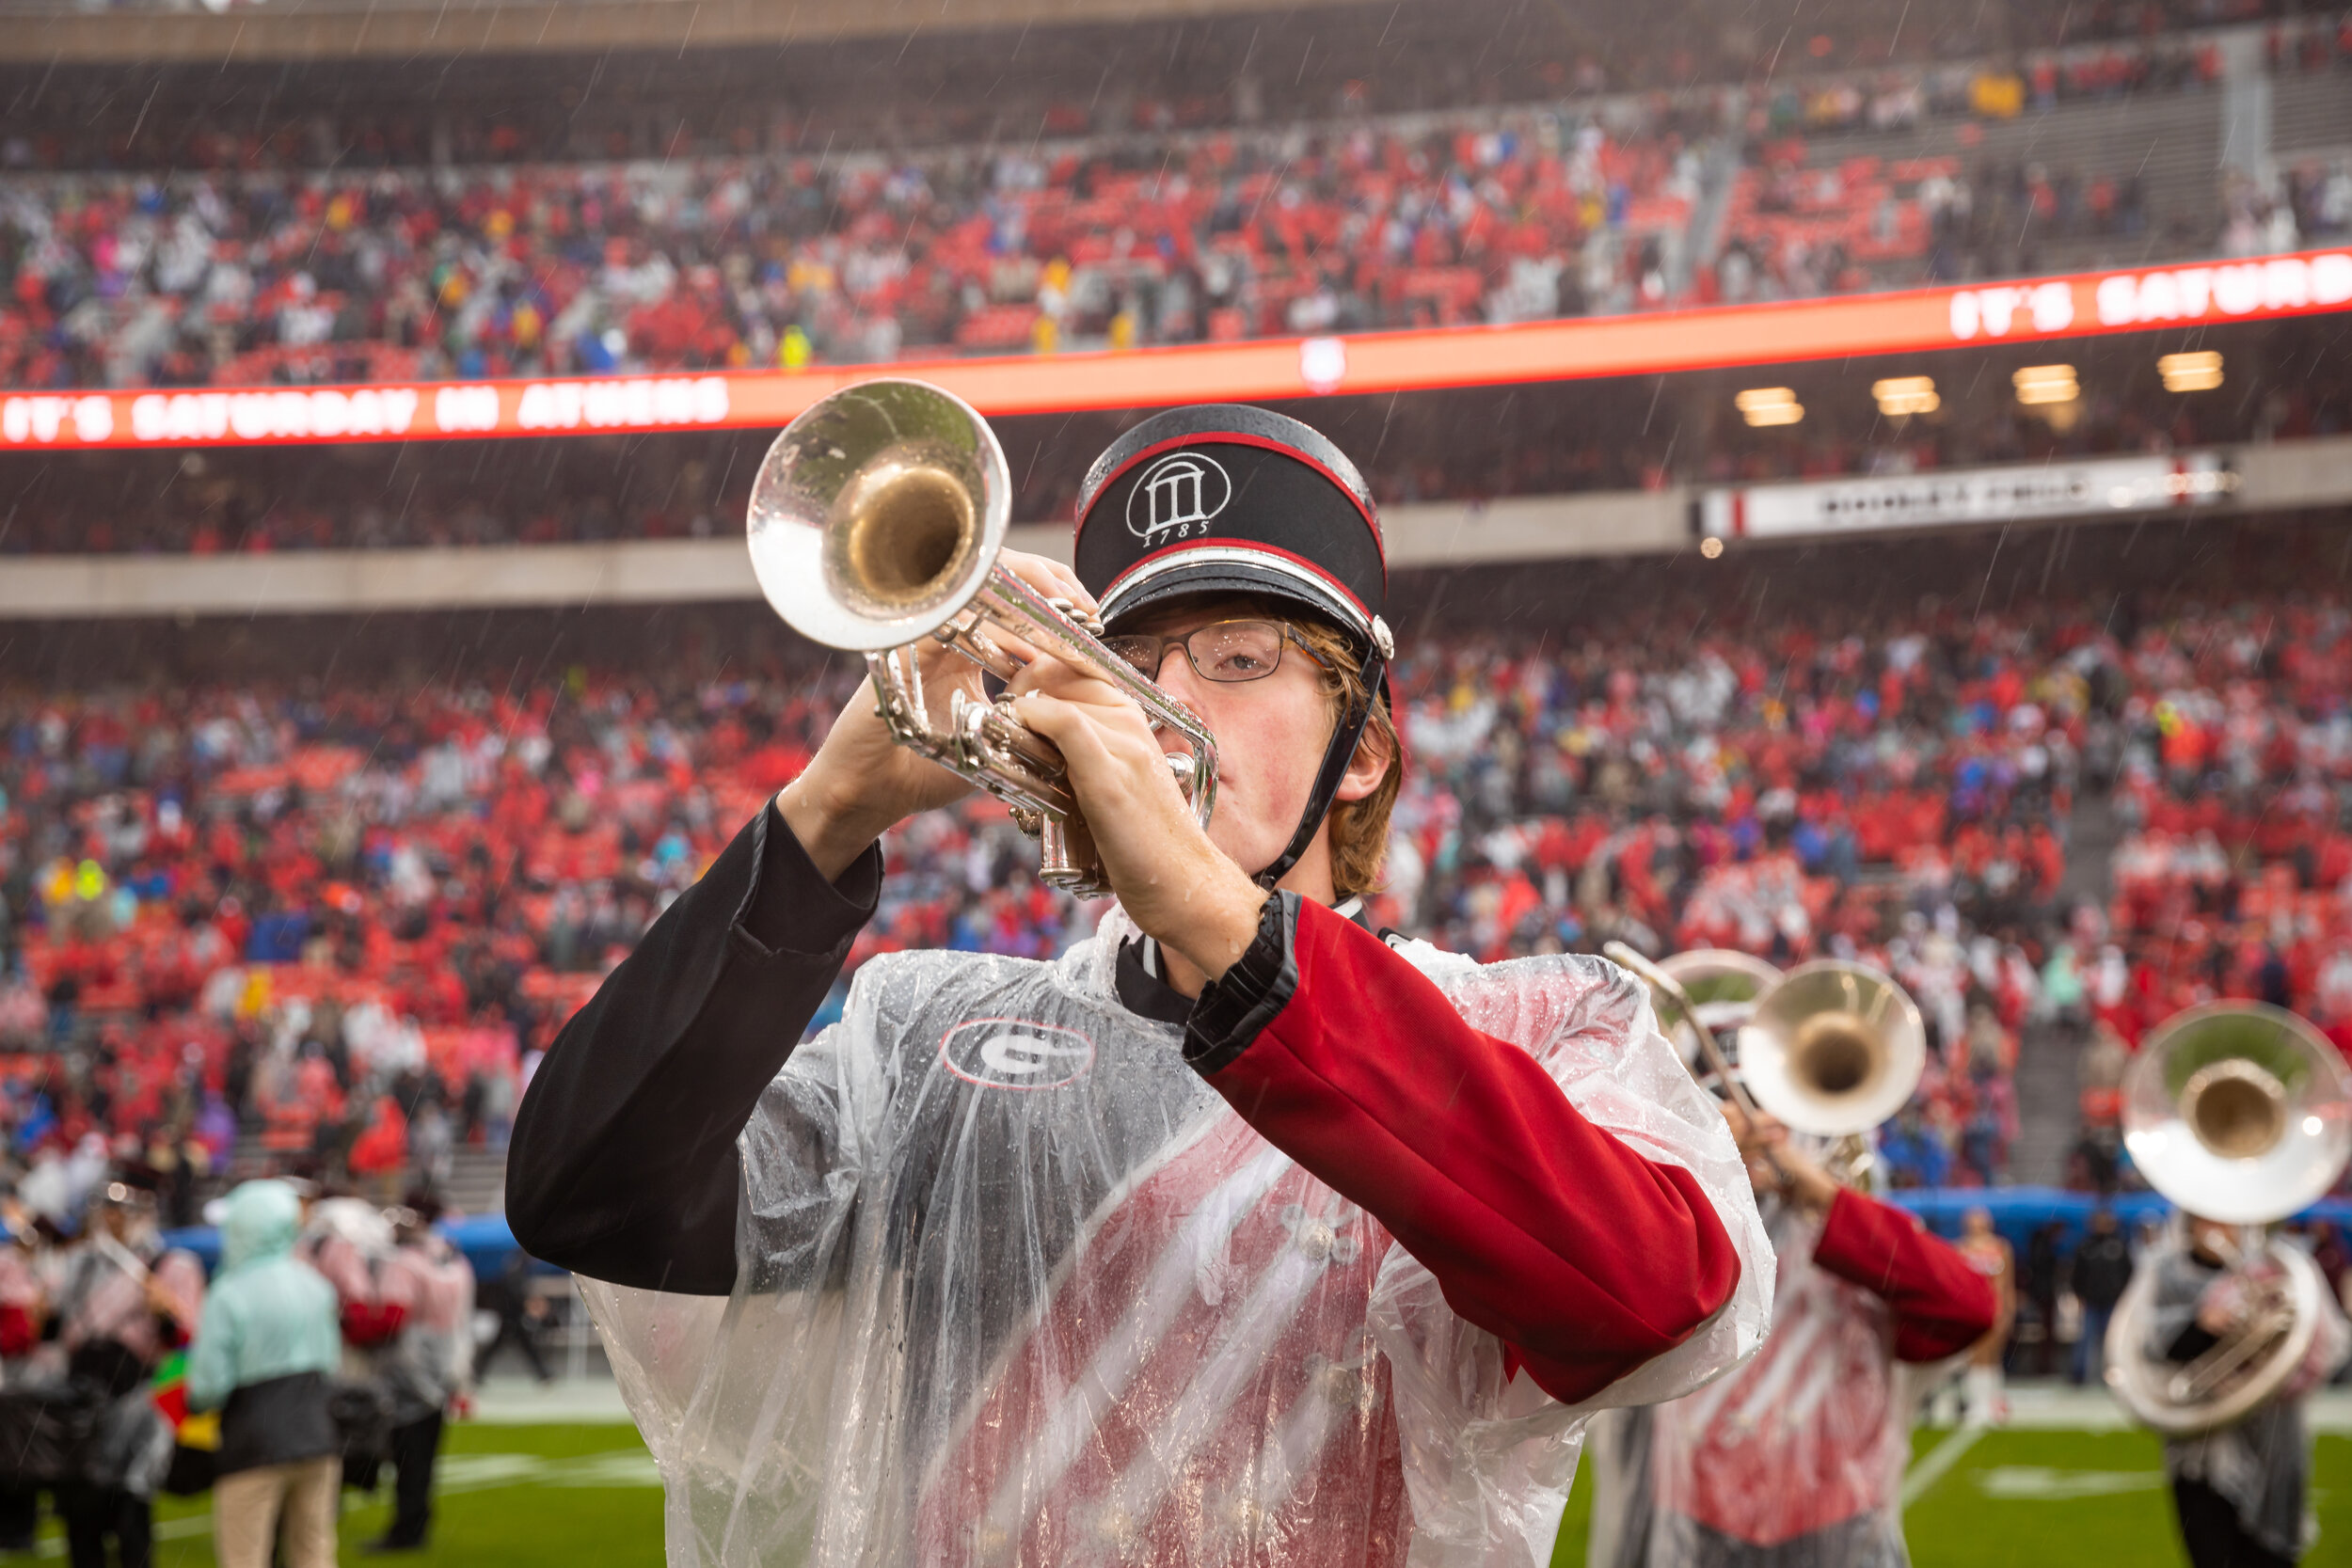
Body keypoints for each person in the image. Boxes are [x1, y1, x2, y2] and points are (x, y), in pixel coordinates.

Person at [508, 402, 1773, 1564]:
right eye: (1128, 654)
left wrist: (1227, 928)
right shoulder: (935, 1034)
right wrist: (825, 815)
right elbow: (590, 1196)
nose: (1161, 698)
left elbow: (1656, 1296)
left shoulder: (1529, 1026)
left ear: (1365, 750)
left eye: (1235, 659)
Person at [1629, 1104, 1997, 1568]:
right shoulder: (1688, 1231)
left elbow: (1971, 1307)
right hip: (1699, 1516)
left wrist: (1826, 1198)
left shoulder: (1854, 1241)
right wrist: (1705, 1164)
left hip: (1834, 1520)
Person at [2147, 1214, 2350, 1568]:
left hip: (2275, 1439)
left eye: (2224, 1218)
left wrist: (2263, 1339)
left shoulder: (2285, 1269)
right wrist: (2202, 1325)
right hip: (2200, 1446)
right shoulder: (2167, 1272)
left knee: (2271, 1554)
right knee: (2213, 1553)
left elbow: (2322, 1349)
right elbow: (2149, 1346)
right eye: (2202, 1218)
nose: (2214, 1227)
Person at [186, 1180, 344, 1568]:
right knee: (314, 1552)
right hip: (317, 1434)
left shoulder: (229, 1292)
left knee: (245, 1554)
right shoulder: (316, 1286)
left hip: (252, 1440)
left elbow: (208, 1387)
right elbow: (332, 1363)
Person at [52, 1182, 204, 1568]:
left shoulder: (169, 1263)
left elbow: (185, 1337)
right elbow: (55, 1327)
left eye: (123, 1211)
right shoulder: (82, 1262)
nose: (114, 1219)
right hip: (83, 1391)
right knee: (80, 1498)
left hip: (136, 1389)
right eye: (108, 1210)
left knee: (131, 1497)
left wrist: (162, 1309)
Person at [364, 1203, 474, 1553]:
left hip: (409, 1372)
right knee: (422, 1458)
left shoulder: (405, 1263)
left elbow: (397, 1319)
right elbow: (461, 1320)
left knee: (406, 1457)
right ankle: (414, 1524)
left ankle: (407, 1528)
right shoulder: (452, 1259)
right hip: (442, 1366)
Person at [1956, 1206, 2015, 1425]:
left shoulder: (2001, 1247)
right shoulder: (1960, 1248)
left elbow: (2007, 1283)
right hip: (1972, 1308)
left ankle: (1994, 1401)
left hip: (1995, 1307)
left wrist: (2008, 1309)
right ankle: (1978, 1403)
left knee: (1993, 1356)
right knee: (1975, 1356)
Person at [2071, 1206, 2134, 1386]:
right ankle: (2078, 1375)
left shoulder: (2119, 1246)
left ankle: (2112, 1375)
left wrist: (2123, 1298)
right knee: (2085, 1339)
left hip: (2112, 1301)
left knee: (2112, 1341)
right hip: (2091, 1300)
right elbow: (2077, 1274)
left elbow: (2127, 1273)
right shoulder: (2086, 1246)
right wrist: (2079, 1294)